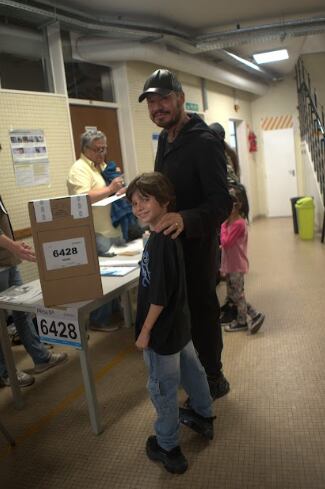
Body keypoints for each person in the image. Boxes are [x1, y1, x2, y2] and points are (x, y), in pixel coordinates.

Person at [138, 69, 233, 400]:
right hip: (170, 245)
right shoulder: (166, 137)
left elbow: (222, 203)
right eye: (151, 102)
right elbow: (162, 185)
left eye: (163, 99)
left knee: (203, 310)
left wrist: (185, 218)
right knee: (180, 312)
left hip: (197, 244)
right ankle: (192, 378)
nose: (157, 107)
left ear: (180, 98)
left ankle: (214, 377)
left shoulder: (204, 142)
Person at [126, 172, 215, 475]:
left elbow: (159, 297)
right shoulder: (165, 236)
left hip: (162, 333)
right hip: (180, 326)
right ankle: (204, 414)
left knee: (163, 389)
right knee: (193, 370)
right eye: (134, 202)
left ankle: (168, 446)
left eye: (145, 200)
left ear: (165, 202)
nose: (138, 207)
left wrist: (145, 332)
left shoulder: (159, 243)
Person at [0, 196, 67, 388]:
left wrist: (14, 249)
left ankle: (41, 357)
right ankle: (6, 373)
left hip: (10, 261)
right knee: (0, 323)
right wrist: (15, 246)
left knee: (23, 311)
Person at [67, 130, 125, 332]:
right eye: (98, 149)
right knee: (105, 280)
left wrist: (119, 189)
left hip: (112, 228)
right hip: (96, 231)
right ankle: (98, 320)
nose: (102, 153)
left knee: (118, 277)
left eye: (104, 148)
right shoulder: (79, 169)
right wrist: (110, 188)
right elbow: (81, 198)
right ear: (85, 149)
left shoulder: (100, 166)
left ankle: (114, 314)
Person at [220, 187, 265, 333]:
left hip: (237, 266)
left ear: (239, 206)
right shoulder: (229, 224)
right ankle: (249, 317)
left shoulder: (238, 224)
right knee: (234, 294)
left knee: (238, 294)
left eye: (234, 204)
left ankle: (248, 317)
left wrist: (222, 226)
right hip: (230, 265)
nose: (231, 208)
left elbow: (226, 242)